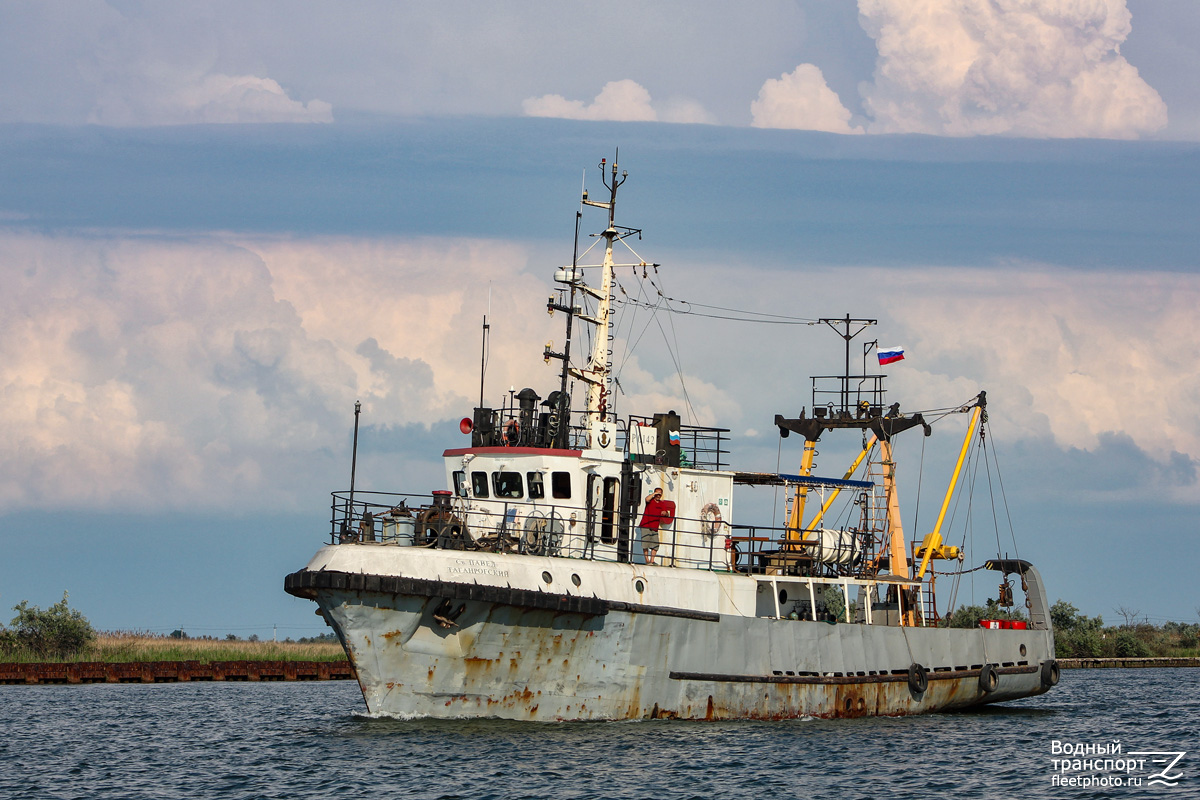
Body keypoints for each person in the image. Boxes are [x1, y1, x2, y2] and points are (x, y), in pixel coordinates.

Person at [638, 488, 674, 565]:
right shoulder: (650, 501)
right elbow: (647, 499)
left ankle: (652, 560)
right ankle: (647, 560)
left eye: (660, 494)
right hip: (646, 525)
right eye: (657, 493)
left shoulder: (661, 504)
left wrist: (665, 513)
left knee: (655, 544)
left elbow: (667, 514)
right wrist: (654, 494)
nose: (658, 495)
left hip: (655, 526)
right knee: (645, 543)